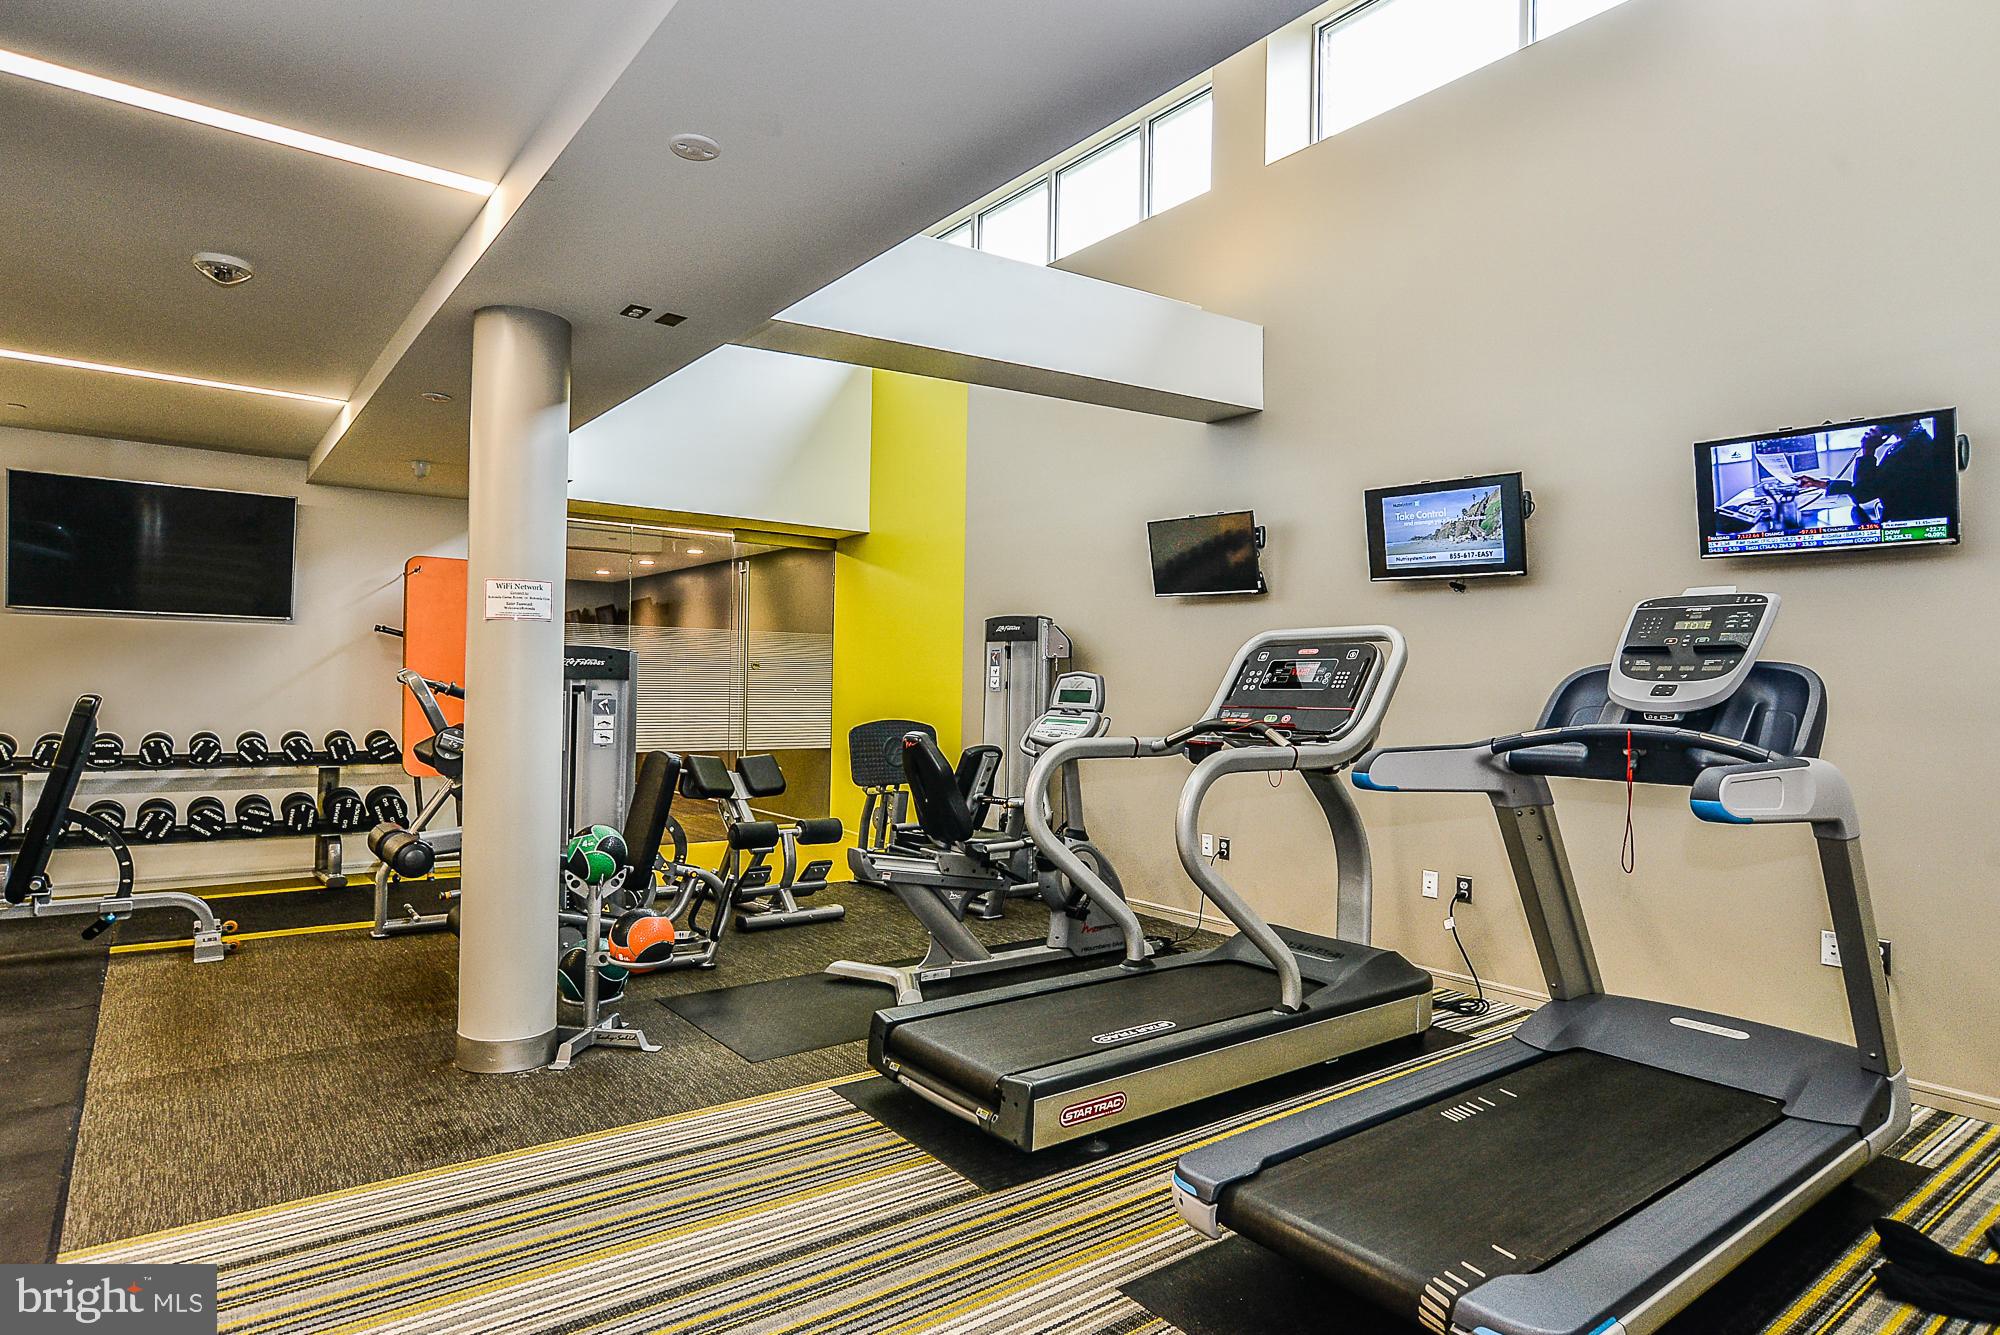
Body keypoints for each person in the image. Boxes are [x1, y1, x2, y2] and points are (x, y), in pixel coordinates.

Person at [1798, 417, 1953, 524]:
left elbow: (1863, 494)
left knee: (1854, 513)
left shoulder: (1914, 449)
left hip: (1899, 525)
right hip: (1895, 517)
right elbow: (1873, 483)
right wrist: (1820, 484)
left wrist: (1868, 451)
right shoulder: (1908, 442)